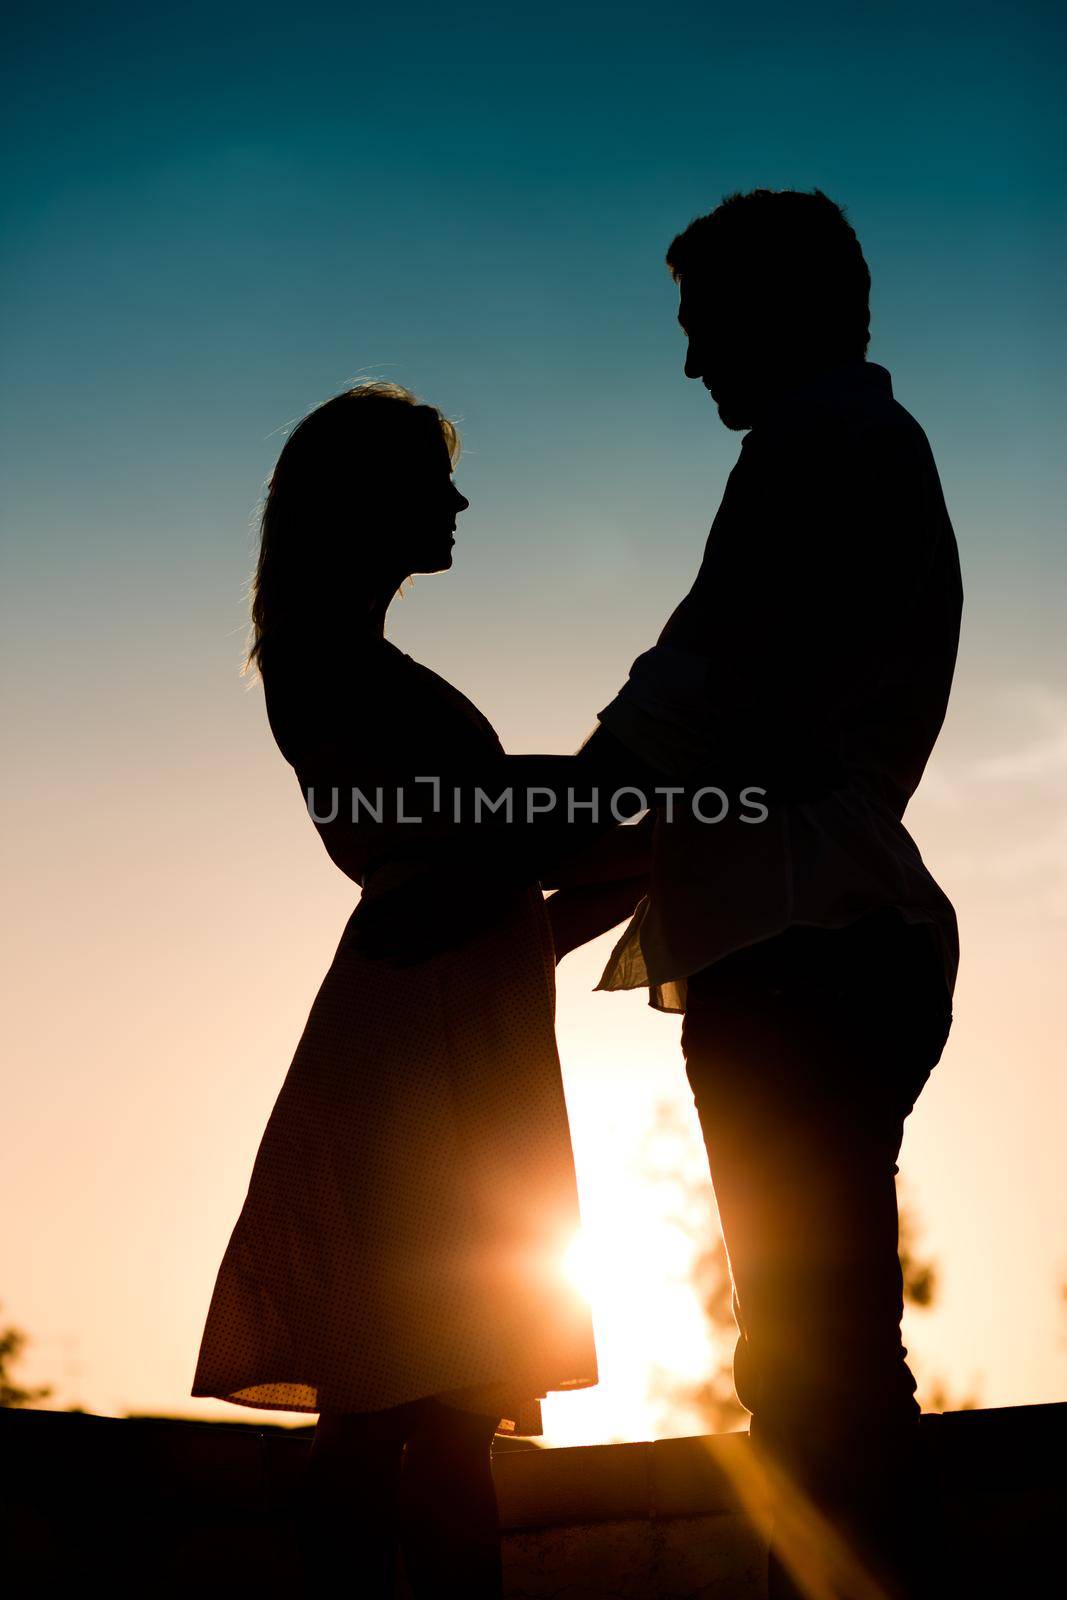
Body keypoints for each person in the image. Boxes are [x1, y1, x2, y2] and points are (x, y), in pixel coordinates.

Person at [354, 188, 963, 1599]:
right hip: (831, 935)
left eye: (702, 326)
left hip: (806, 950)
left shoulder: (817, 451)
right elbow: (713, 761)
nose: (689, 362)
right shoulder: (856, 448)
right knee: (815, 1359)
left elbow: (678, 729)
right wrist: (537, 892)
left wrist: (483, 868)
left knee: (813, 1372)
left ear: (777, 310)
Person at [189, 382, 646, 1598]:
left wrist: (627, 839)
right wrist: (646, 775)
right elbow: (474, 830)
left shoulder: (363, 668)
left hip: (462, 1025)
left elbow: (495, 883)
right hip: (415, 1042)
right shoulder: (322, 662)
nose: (454, 499)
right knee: (405, 1401)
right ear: (362, 501)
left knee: (441, 1401)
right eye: (428, 477)